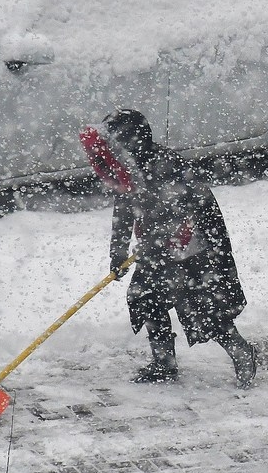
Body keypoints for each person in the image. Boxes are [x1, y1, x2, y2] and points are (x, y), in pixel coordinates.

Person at [79, 109, 257, 388]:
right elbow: (124, 211)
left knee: (203, 308)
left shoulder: (168, 165)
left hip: (193, 251)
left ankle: (241, 352)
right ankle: (164, 364)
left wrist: (168, 238)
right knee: (149, 299)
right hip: (156, 249)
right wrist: (118, 252)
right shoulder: (129, 170)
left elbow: (195, 210)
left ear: (131, 140)